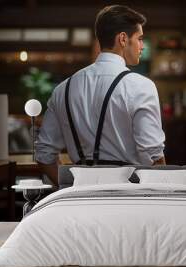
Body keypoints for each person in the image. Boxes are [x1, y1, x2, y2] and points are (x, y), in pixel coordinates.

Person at [35, 5, 166, 185]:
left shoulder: (62, 89)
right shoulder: (141, 86)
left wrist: (66, 189)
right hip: (130, 196)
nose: (142, 46)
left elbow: (43, 155)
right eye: (140, 38)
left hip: (80, 198)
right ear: (122, 38)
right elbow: (154, 156)